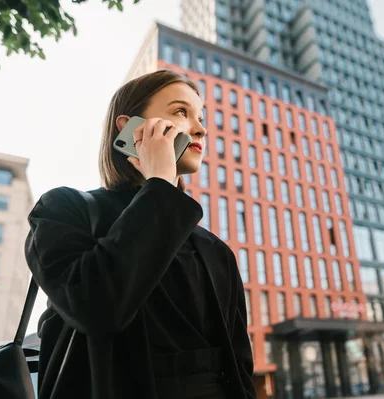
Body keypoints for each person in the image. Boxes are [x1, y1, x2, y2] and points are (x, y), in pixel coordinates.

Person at [25, 70, 255, 399]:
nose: (201, 128)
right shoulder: (63, 209)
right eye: (181, 112)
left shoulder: (215, 250)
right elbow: (97, 308)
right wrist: (159, 182)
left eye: (201, 117)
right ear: (128, 127)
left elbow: (240, 368)